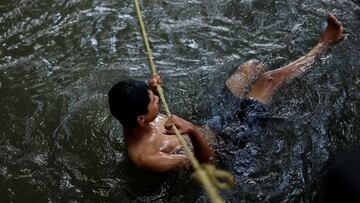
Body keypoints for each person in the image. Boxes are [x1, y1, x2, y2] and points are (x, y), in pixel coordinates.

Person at [225, 14, 343, 105]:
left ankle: (253, 97)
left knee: (250, 66)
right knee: (269, 79)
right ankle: (324, 43)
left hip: (214, 122)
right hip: (227, 134)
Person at [108, 75, 213, 173]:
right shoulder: (149, 158)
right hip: (216, 151)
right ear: (141, 119)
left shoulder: (131, 118)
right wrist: (191, 129)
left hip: (207, 131)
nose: (158, 99)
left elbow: (145, 110)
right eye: (154, 100)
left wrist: (151, 91)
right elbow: (202, 164)